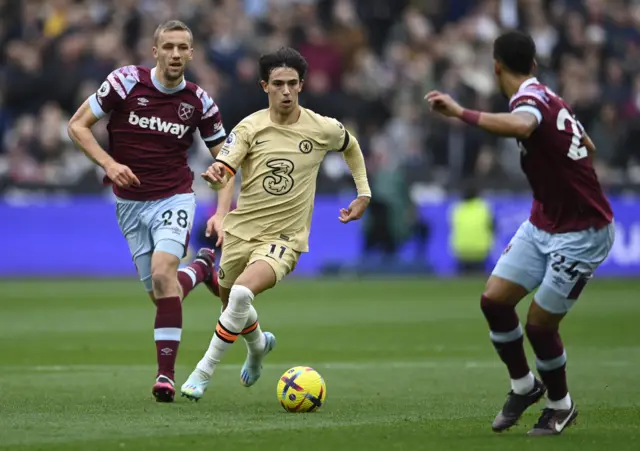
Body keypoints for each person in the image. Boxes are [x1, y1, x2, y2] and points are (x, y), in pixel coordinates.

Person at [425, 30, 614, 436]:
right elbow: (588, 144)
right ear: (533, 63)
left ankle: (560, 405)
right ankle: (524, 386)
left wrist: (462, 113)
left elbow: (523, 127)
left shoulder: (529, 102)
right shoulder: (550, 97)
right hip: (544, 220)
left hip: (583, 230)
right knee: (494, 301)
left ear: (496, 66)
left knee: (540, 326)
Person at [180, 47, 372, 401]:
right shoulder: (250, 127)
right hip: (241, 233)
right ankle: (257, 347)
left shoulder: (321, 127)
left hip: (285, 238)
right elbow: (226, 166)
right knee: (231, 306)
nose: (286, 91)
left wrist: (363, 193)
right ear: (264, 86)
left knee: (241, 293)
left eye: (293, 84)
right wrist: (216, 173)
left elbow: (352, 146)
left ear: (302, 85)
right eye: (278, 84)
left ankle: (202, 372)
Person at [67, 20, 228, 403]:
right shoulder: (125, 82)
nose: (175, 53)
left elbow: (227, 162)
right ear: (155, 51)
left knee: (162, 273)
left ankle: (165, 377)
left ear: (191, 53)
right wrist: (108, 164)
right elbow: (77, 126)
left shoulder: (199, 102)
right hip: (129, 203)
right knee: (163, 293)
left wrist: (222, 211)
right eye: (168, 46)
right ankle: (202, 268)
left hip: (174, 197)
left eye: (182, 47)